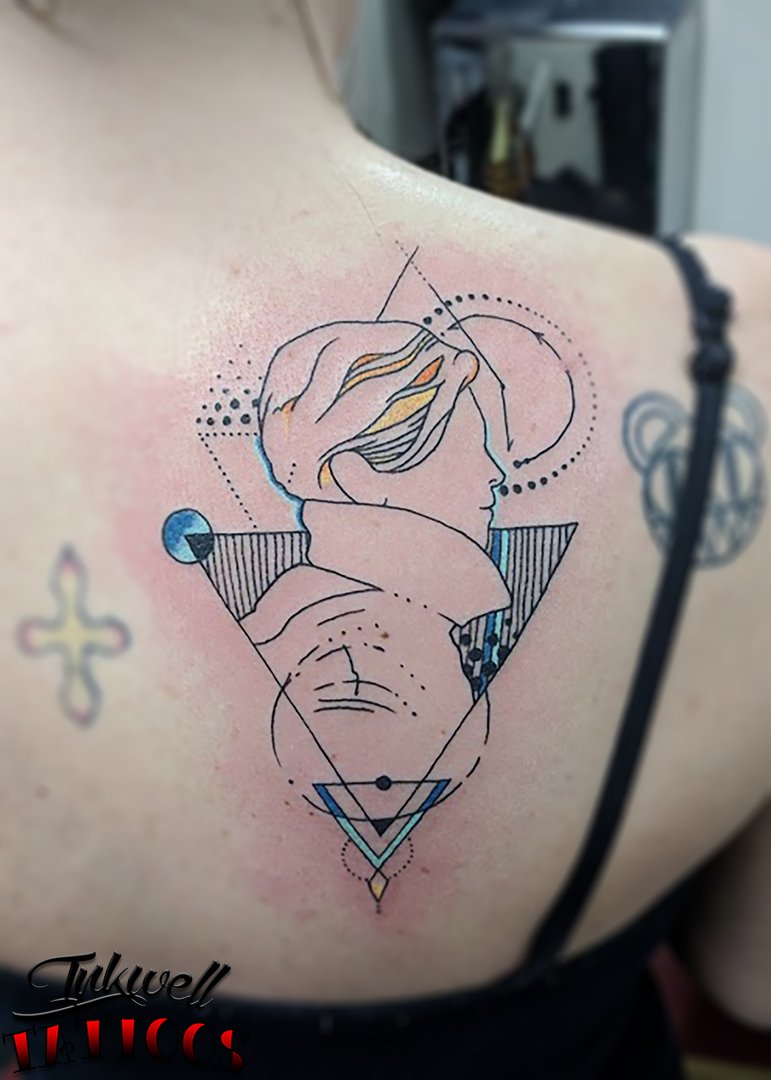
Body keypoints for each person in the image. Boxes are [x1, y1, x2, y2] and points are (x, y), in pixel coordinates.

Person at [0, 2, 768, 1077]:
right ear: (370, 473)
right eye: (472, 449)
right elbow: (753, 972)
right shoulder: (737, 356)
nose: (493, 480)